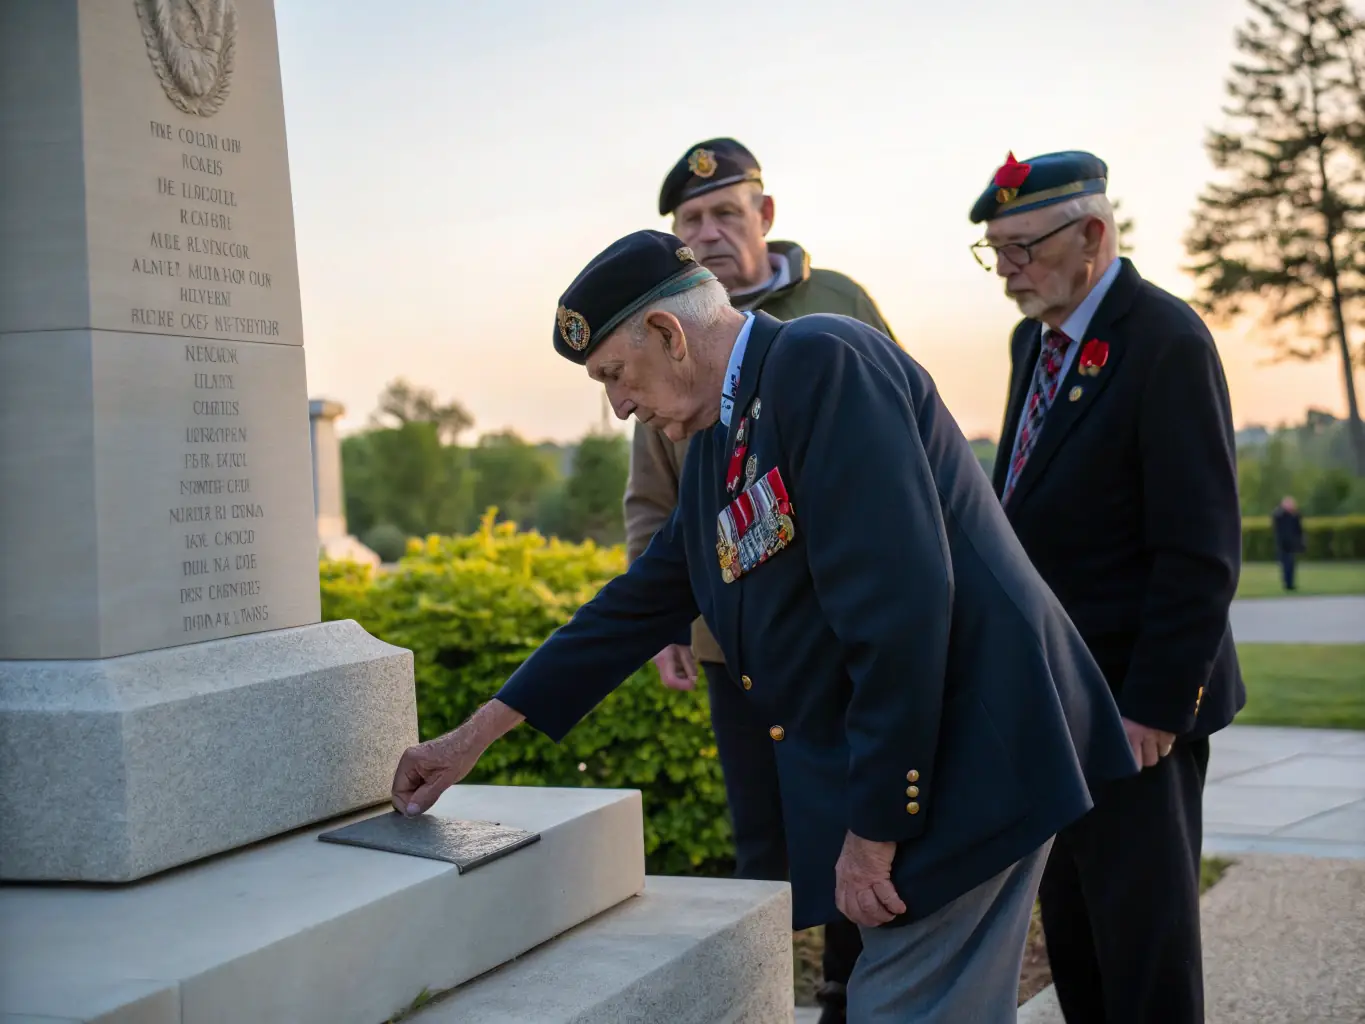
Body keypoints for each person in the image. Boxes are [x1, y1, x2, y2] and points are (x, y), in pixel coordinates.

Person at [392, 229, 1137, 1023]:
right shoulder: (723, 432)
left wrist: (876, 828)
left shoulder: (822, 361)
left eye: (614, 373)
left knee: (901, 1006)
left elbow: (901, 613)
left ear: (669, 335)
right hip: (944, 754)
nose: (617, 405)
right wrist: (472, 736)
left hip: (972, 752)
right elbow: (638, 602)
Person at [970, 150, 1246, 1023]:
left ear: (1090, 233)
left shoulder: (1162, 337)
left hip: (1135, 709)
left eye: (1020, 249)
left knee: (1145, 952)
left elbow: (1199, 547)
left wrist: (1155, 707)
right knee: (1079, 940)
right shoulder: (1035, 340)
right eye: (993, 253)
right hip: (1060, 700)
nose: (1007, 273)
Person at [624, 136, 895, 1021]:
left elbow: (891, 438)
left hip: (833, 632)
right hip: (726, 639)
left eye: (723, 214)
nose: (705, 234)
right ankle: (759, 993)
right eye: (689, 221)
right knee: (763, 835)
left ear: (764, 216)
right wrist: (663, 619)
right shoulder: (653, 331)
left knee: (859, 816)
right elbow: (652, 503)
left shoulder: (833, 307)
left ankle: (846, 989)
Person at [1272, 496, 1305, 590]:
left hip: (1292, 544)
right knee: (1285, 564)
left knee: (1291, 564)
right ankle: (1287, 584)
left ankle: (1291, 583)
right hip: (1283, 544)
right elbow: (1275, 519)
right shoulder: (1279, 515)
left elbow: (1299, 529)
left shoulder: (1295, 516)